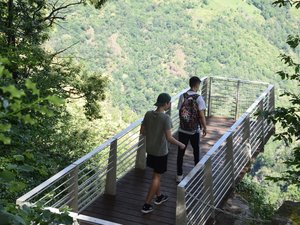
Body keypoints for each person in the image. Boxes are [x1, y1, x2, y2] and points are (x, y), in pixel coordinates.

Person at [140, 93, 185, 214]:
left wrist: (153, 133)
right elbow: (169, 138)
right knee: (156, 177)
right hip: (161, 152)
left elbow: (142, 131)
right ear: (165, 104)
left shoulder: (148, 114)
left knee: (156, 174)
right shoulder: (165, 118)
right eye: (169, 102)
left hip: (150, 150)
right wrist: (181, 144)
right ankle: (146, 205)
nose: (170, 104)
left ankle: (159, 196)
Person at [176, 76, 207, 183]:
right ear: (196, 85)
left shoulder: (182, 96)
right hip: (194, 130)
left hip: (182, 129)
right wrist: (204, 127)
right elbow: (201, 115)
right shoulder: (198, 98)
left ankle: (179, 175)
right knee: (196, 150)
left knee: (180, 153)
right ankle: (196, 171)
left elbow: (180, 111)